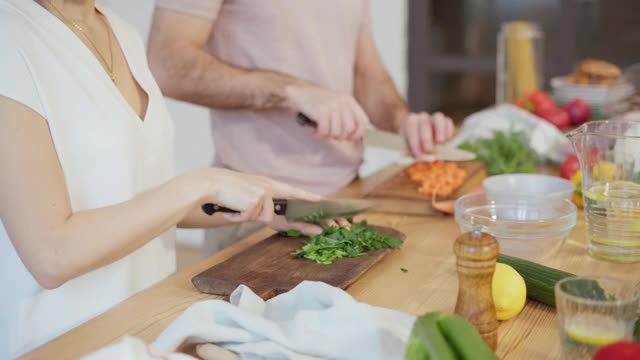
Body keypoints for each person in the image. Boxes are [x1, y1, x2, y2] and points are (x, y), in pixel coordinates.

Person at [0, 0, 331, 357]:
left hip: (150, 331)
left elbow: (144, 201)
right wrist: (201, 183)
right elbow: (51, 256)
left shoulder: (119, 31)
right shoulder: (10, 38)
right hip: (62, 343)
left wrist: (263, 203)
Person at [147, 0, 456, 252]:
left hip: (347, 196)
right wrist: (289, 91)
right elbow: (165, 63)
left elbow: (366, 72)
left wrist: (402, 120)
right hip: (256, 210)